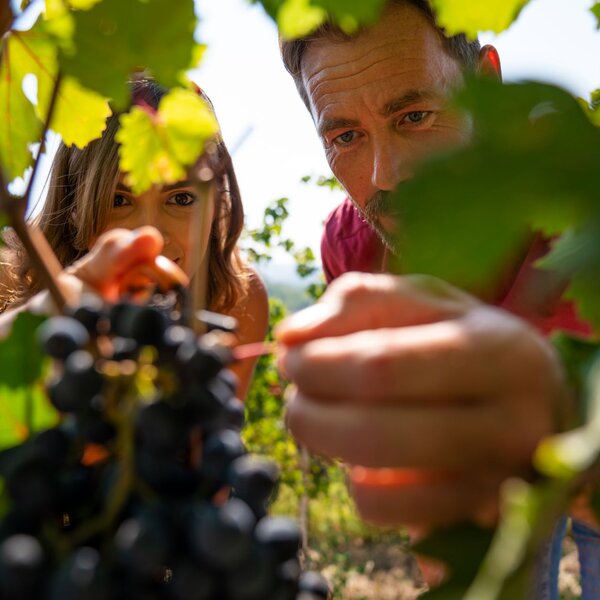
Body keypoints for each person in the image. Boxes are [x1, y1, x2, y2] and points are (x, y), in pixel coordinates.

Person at [277, 1, 598, 597]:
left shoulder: (584, 210)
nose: (387, 175)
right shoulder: (350, 247)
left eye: (415, 115)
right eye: (346, 135)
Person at [0, 78, 269, 400]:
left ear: (218, 205)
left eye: (181, 199)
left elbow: (206, 441)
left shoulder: (236, 299)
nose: (150, 236)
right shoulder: (8, 277)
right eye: (119, 201)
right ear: (73, 207)